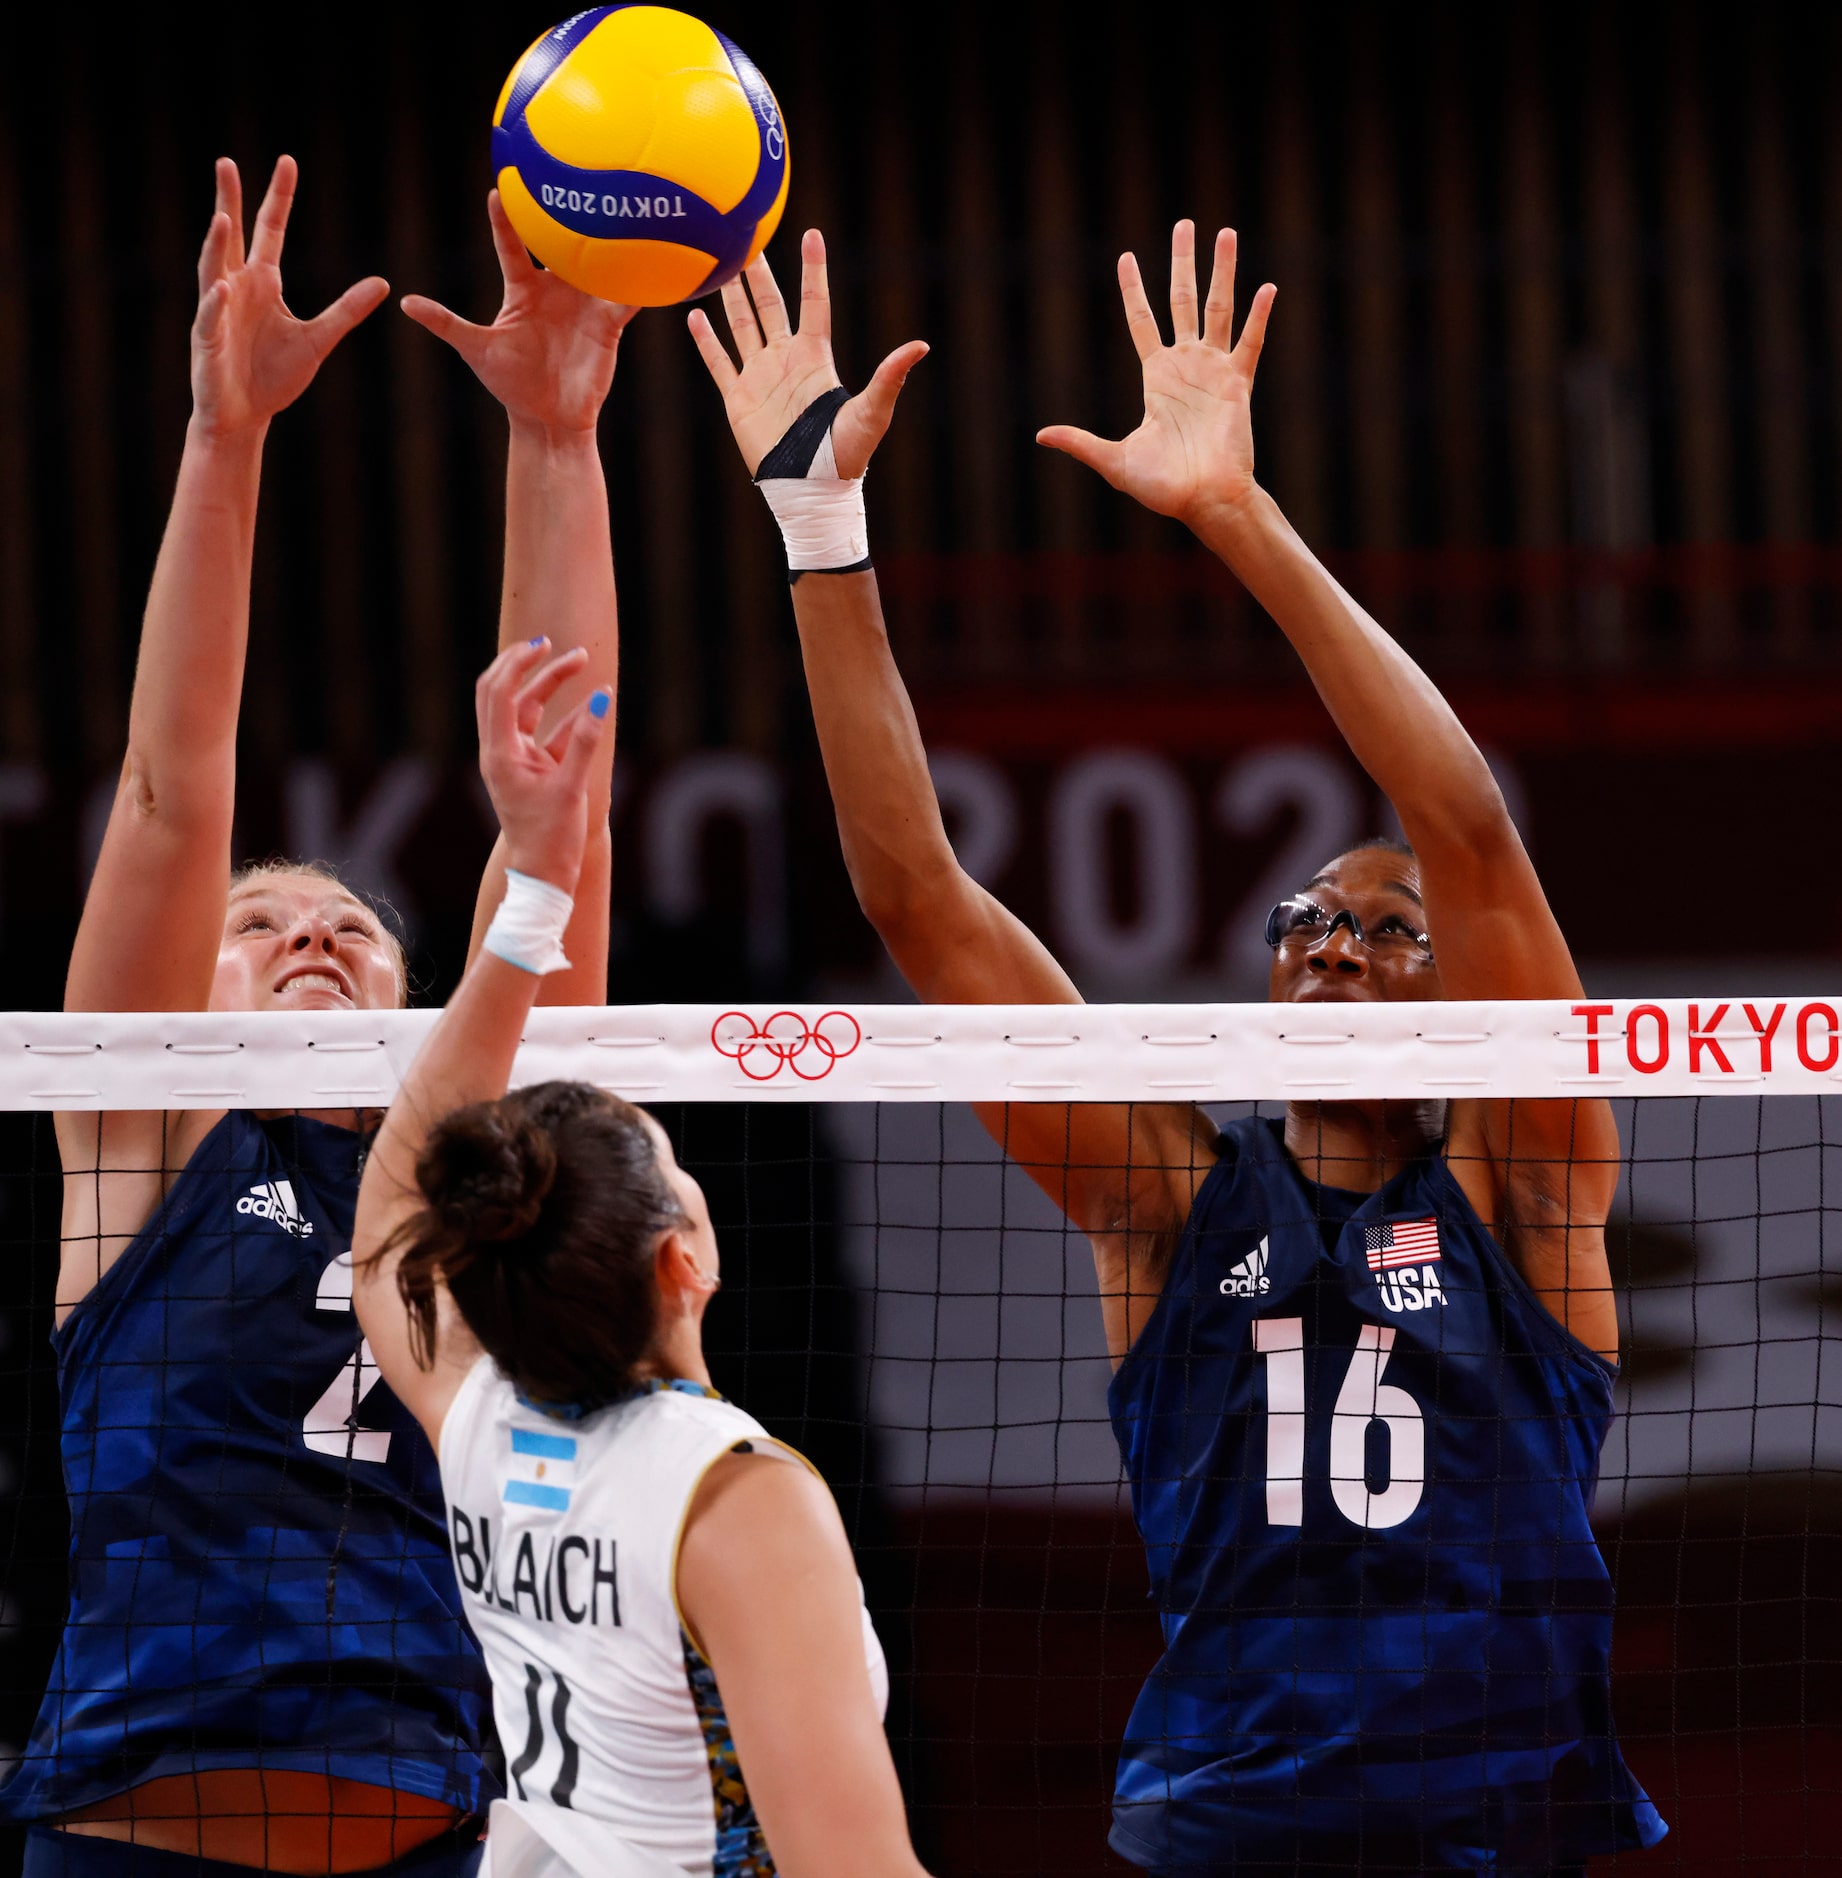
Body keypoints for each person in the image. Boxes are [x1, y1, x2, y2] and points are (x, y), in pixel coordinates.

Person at [689, 224, 1668, 1874]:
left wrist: (1235, 513)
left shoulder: (1530, 1186)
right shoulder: (1168, 1198)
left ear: (1462, 1000)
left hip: (1506, 1827)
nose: (1335, 939)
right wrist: (820, 525)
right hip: (1223, 1825)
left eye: (1386, 925)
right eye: (1304, 920)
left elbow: (1466, 829)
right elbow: (916, 898)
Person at [7, 159, 634, 1875]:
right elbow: (162, 792)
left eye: (350, 926)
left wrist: (556, 444)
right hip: (144, 1827)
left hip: (434, 1818)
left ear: (415, 994)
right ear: (188, 988)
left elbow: (561, 809)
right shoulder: (144, 1130)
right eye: (261, 922)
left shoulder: (478, 1169)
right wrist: (225, 437)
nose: (309, 937)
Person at [348, 639, 929, 1878]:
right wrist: (537, 892)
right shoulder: (740, 1501)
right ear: (684, 1261)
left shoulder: (482, 1419)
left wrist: (536, 901)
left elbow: (389, 1213)